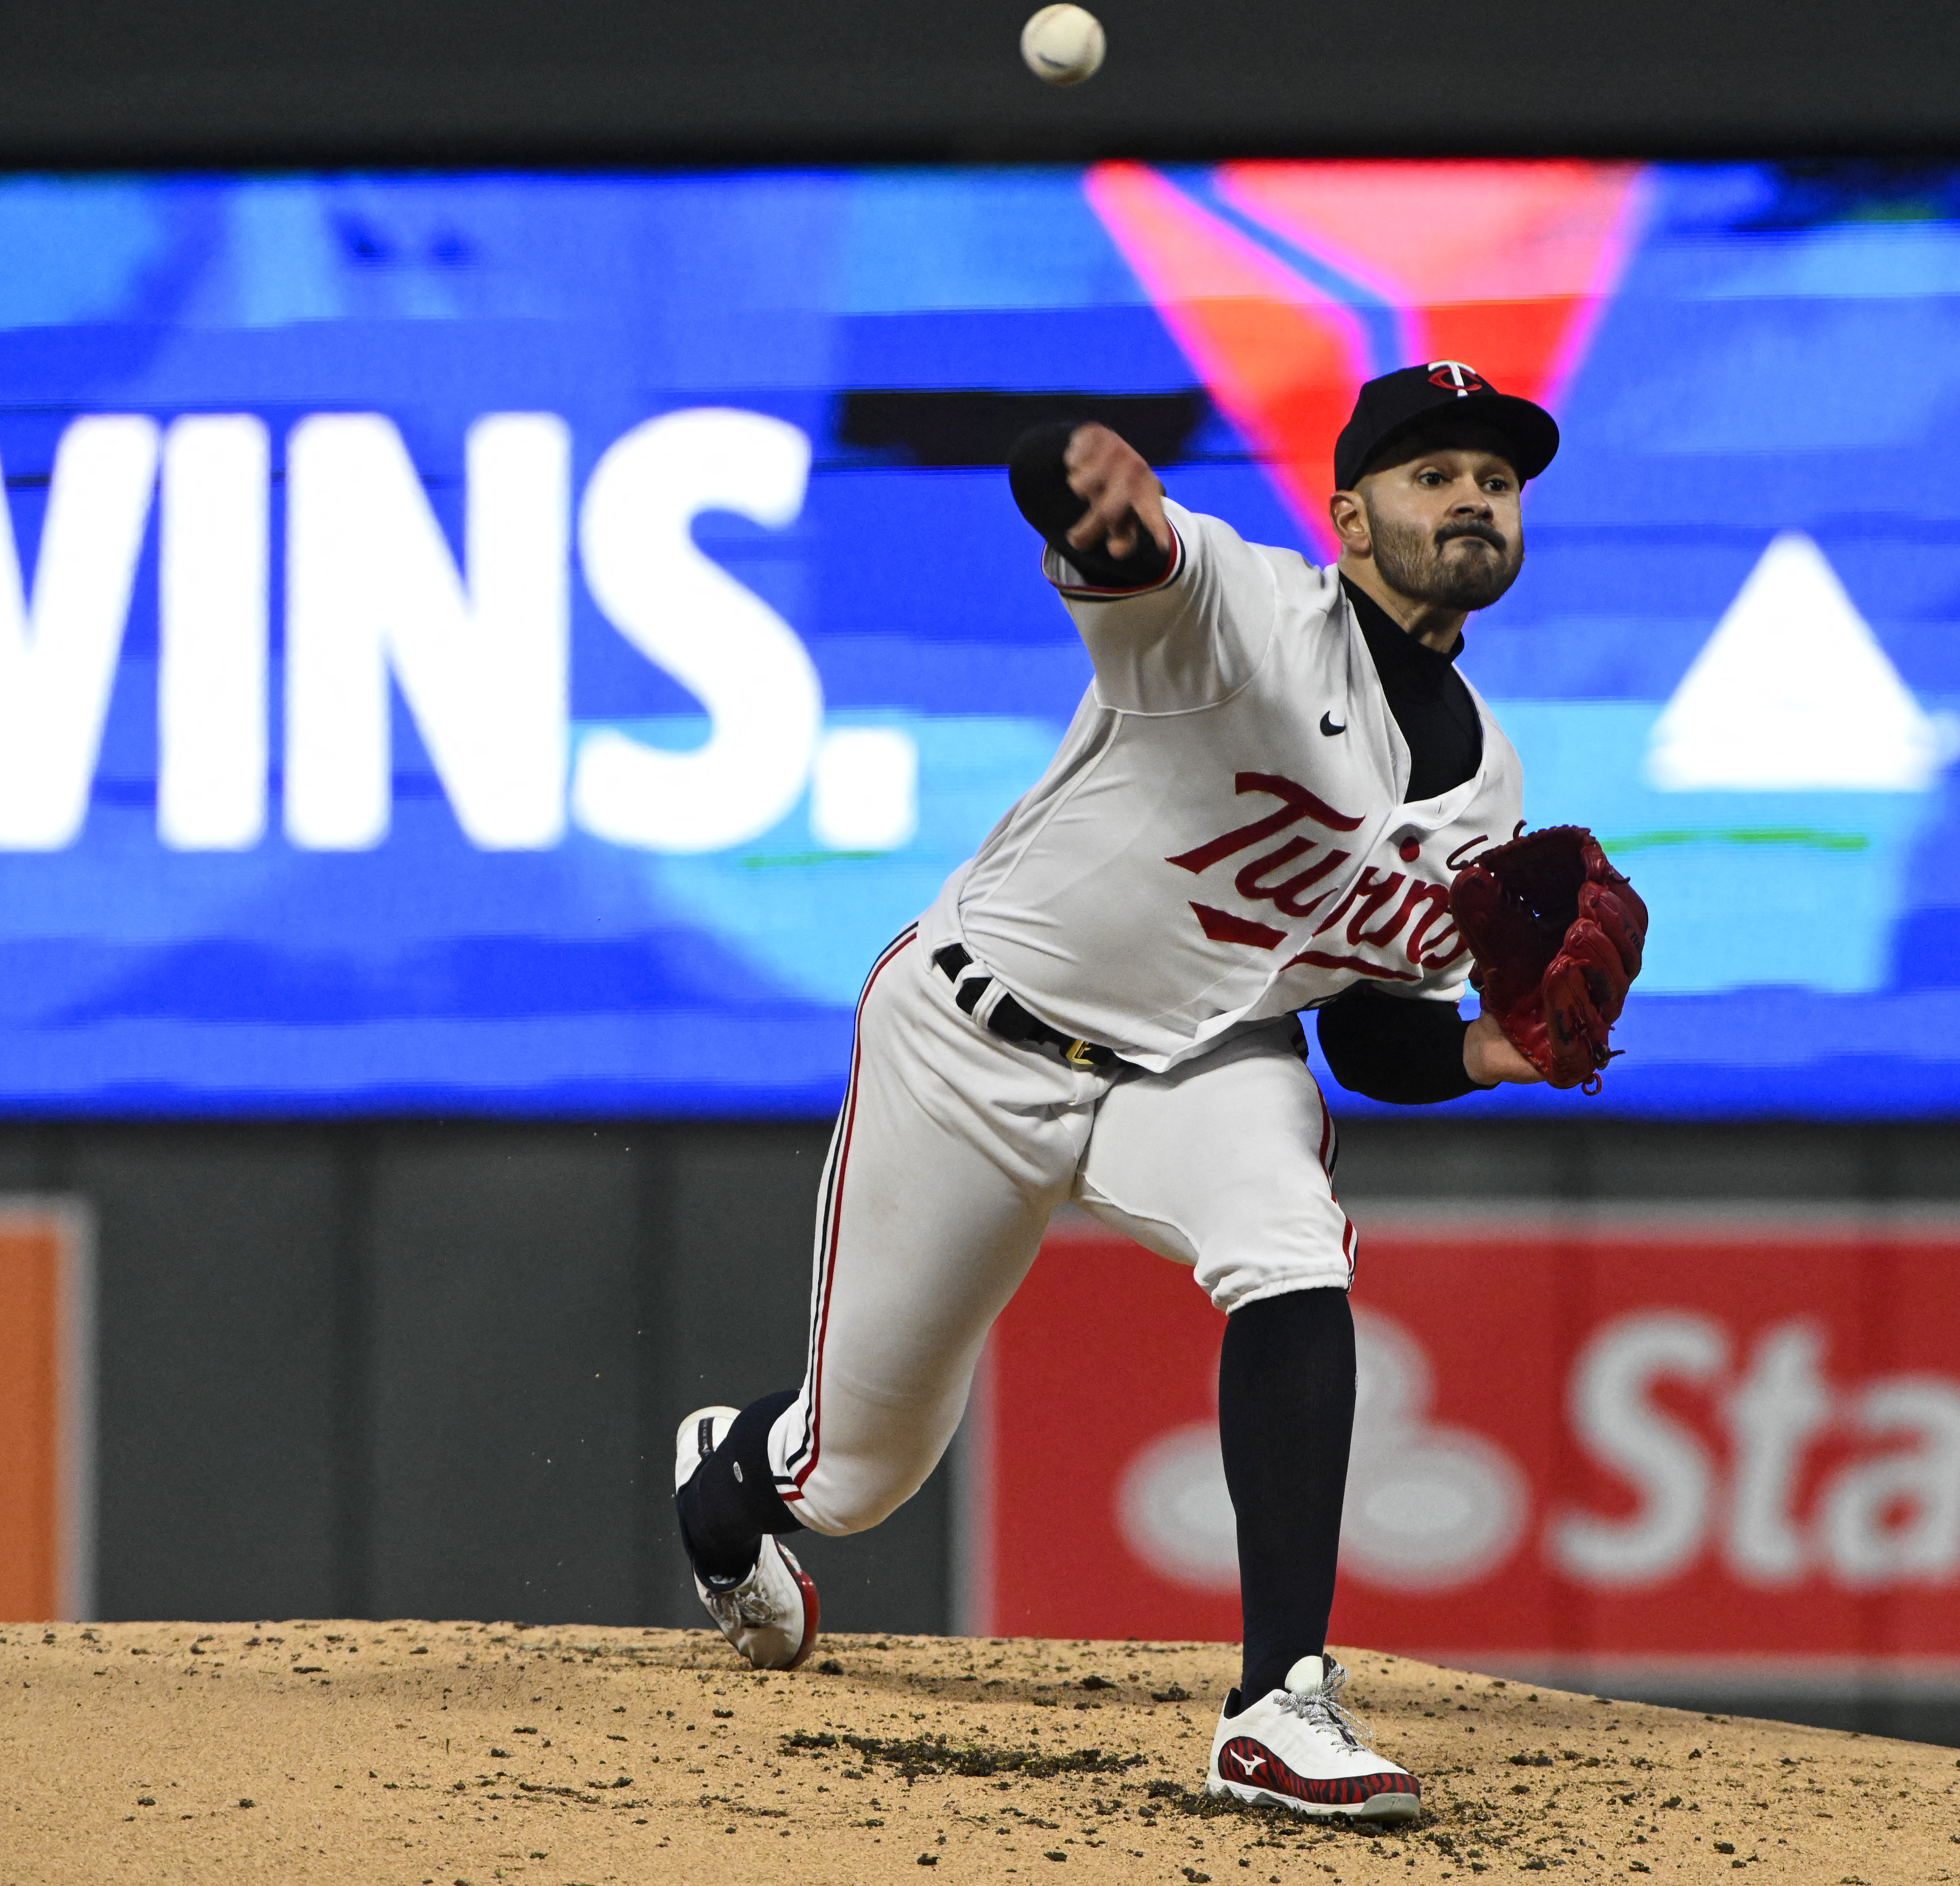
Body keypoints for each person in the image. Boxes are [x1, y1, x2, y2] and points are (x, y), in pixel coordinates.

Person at [671, 362, 1573, 1822]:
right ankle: (734, 1476)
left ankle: (1281, 1705)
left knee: (1290, 1248)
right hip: (975, 1043)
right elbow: (1123, 546)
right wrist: (1081, 486)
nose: (1474, 493)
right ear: (1348, 515)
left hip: (1203, 1060)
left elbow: (1373, 1036)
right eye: (1433, 472)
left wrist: (1486, 1052)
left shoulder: (1489, 791)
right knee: (858, 1476)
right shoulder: (1246, 611)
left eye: (1500, 477)